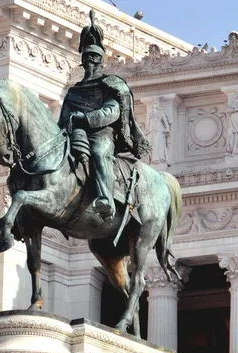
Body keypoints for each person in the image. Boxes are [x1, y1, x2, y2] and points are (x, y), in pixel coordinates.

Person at [58, 10, 150, 222]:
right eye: (86, 58)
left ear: (101, 61)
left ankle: (105, 198)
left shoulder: (111, 84)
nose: (89, 61)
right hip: (76, 134)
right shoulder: (74, 91)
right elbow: (63, 118)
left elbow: (113, 111)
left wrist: (86, 119)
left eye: (94, 57)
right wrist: (68, 126)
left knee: (99, 153)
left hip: (103, 134)